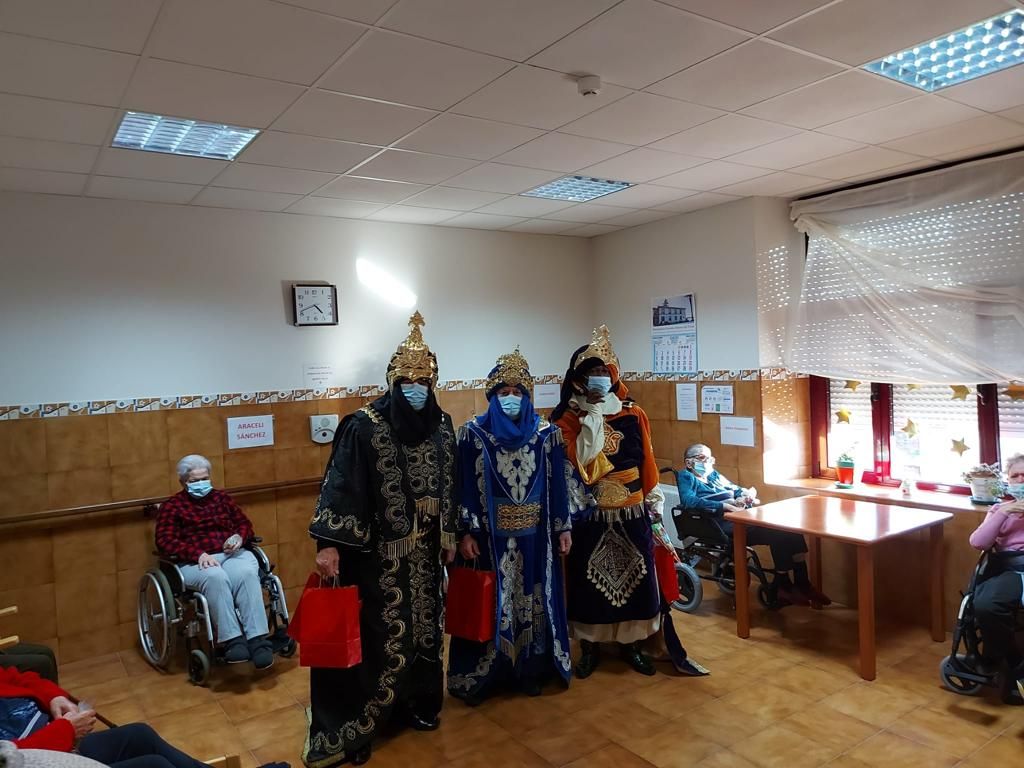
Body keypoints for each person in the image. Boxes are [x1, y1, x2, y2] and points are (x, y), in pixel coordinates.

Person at [305, 312, 458, 767]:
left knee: (425, 633)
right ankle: (360, 723)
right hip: (376, 558)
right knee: (376, 637)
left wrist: (449, 532)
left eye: (423, 381)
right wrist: (329, 544)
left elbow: (450, 480)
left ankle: (415, 704)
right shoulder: (364, 425)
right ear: (392, 381)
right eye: (407, 380)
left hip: (427, 557)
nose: (415, 388)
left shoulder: (442, 423)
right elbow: (340, 484)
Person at [552, 325, 705, 678]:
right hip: (588, 513)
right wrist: (591, 416)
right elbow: (577, 465)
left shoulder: (632, 412)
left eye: (604, 372)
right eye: (591, 372)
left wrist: (652, 500)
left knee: (637, 578)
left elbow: (646, 460)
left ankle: (633, 645)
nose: (598, 378)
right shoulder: (567, 418)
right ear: (577, 378)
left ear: (614, 375)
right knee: (589, 582)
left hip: (632, 509)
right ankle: (589, 646)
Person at [447, 348, 582, 705]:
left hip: (537, 540)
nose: (511, 399)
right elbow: (463, 487)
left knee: (534, 600)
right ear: (492, 396)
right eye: (503, 393)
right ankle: (491, 674)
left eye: (517, 392)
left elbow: (558, 485)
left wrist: (563, 527)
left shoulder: (546, 434)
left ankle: (530, 670)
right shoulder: (472, 434)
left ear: (527, 395)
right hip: (490, 541)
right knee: (494, 602)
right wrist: (467, 532)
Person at [0, 665, 287, 768]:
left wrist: (54, 697)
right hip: (42, 759)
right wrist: (64, 732)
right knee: (154, 765)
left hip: (51, 736)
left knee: (139, 734)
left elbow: (18, 677)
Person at [676, 443, 831, 609]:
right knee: (777, 533)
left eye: (710, 458)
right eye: (702, 458)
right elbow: (688, 501)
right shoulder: (686, 477)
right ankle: (783, 584)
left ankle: (802, 584)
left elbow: (735, 488)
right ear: (689, 463)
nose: (708, 462)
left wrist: (745, 495)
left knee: (790, 530)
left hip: (738, 516)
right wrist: (725, 506)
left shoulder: (713, 475)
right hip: (718, 523)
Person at [155, 455, 273, 670]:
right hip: (194, 562)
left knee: (246, 573)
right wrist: (196, 553)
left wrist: (238, 537)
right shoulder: (172, 507)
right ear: (183, 482)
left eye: (204, 478)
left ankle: (258, 640)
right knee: (215, 577)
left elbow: (244, 524)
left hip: (231, 555)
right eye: (194, 480)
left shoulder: (222, 499)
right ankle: (232, 640)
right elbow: (165, 541)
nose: (201, 484)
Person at [968, 452, 1024, 703]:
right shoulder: (998, 509)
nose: (1021, 480)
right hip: (1008, 569)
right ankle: (1014, 663)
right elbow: (978, 542)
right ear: (1009, 482)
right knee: (987, 605)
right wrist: (1006, 512)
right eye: (1016, 476)